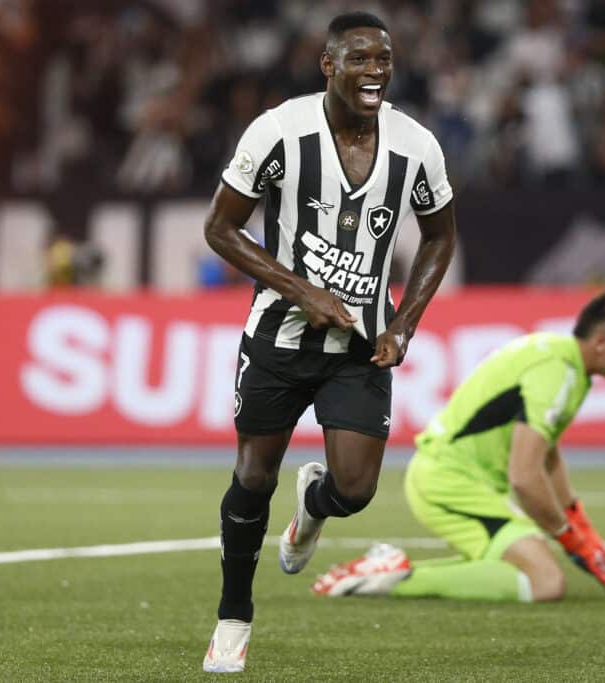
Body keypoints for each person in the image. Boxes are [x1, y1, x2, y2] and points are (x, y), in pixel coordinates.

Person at [201, 11, 457, 673]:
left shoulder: (416, 145)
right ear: (328, 65)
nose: (375, 71)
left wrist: (404, 322)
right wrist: (302, 291)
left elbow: (439, 236)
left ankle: (313, 505)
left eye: (384, 60)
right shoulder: (278, 132)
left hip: (362, 343)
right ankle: (233, 616)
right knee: (252, 476)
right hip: (279, 338)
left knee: (356, 489)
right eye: (360, 59)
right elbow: (220, 229)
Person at [312, 291, 605, 603]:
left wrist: (579, 524)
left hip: (457, 478)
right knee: (545, 582)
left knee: (520, 566)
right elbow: (525, 477)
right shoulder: (558, 372)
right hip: (451, 482)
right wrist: (568, 537)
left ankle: (388, 570)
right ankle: (389, 579)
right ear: (602, 342)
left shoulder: (559, 357)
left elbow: (546, 452)